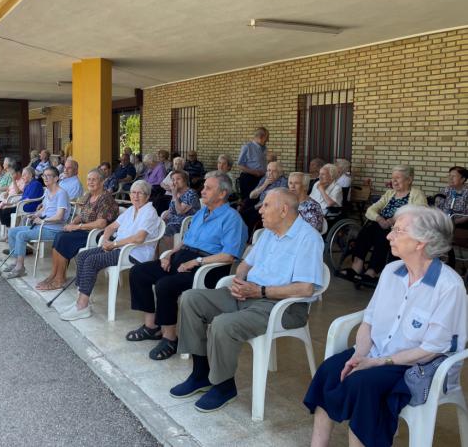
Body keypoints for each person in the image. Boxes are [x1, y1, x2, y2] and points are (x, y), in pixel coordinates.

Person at [305, 206, 467, 447]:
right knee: (329, 371)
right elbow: (368, 321)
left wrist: (376, 362)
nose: (389, 235)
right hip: (375, 352)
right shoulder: (391, 271)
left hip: (415, 365)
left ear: (421, 242)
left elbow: (432, 349)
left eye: (398, 231)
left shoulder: (449, 287)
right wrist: (359, 356)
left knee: (361, 384)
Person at [169, 188, 323, 412]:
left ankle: (223, 386)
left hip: (281, 307)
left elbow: (305, 288)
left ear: (283, 210)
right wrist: (240, 281)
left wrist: (259, 291)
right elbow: (245, 264)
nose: (260, 209)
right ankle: (200, 374)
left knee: (223, 324)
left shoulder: (308, 239)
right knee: (190, 299)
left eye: (267, 205)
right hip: (249, 294)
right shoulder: (268, 233)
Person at [128, 172, 247, 361]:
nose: (203, 191)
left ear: (223, 193)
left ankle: (170, 338)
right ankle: (152, 327)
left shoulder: (233, 219)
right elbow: (186, 241)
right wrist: (170, 254)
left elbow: (229, 256)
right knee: (139, 272)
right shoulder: (201, 213)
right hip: (183, 258)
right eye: (204, 186)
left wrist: (197, 262)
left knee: (165, 285)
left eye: (208, 188)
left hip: (208, 267)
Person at [60, 180, 161, 321]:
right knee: (83, 256)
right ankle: (80, 299)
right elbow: (110, 227)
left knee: (91, 261)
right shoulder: (131, 210)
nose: (135, 196)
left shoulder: (149, 212)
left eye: (140, 193)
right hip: (118, 247)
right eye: (133, 192)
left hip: (134, 253)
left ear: (147, 196)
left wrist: (114, 244)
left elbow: (139, 238)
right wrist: (106, 240)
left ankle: (82, 306)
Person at [36, 168, 119, 291]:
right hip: (85, 230)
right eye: (89, 179)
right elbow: (83, 214)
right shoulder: (89, 195)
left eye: (94, 180)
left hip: (97, 234)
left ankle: (59, 279)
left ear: (102, 182)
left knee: (65, 239)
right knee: (60, 235)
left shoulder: (105, 198)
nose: (90, 182)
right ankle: (54, 274)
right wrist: (74, 221)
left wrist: (76, 227)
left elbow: (101, 223)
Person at [343, 165, 427, 286]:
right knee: (366, 232)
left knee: (383, 236)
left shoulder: (417, 194)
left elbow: (419, 212)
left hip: (401, 229)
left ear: (409, 180)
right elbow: (371, 210)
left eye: (398, 178)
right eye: (393, 178)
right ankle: (357, 266)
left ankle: (372, 271)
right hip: (381, 224)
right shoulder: (390, 193)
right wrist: (379, 218)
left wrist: (393, 220)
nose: (394, 181)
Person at [0, 166, 70, 279]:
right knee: (12, 232)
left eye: (48, 176)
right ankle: (16, 262)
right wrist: (36, 214)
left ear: (56, 178)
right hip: (42, 226)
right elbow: (45, 209)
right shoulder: (48, 191)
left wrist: (42, 220)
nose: (45, 178)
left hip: (54, 229)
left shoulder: (61, 193)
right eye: (44, 175)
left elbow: (60, 216)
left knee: (21, 235)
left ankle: (20, 268)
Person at [0, 165, 43, 236]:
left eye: (24, 174)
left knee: (6, 211)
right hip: (23, 204)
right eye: (22, 174)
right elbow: (23, 198)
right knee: (3, 209)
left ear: (31, 175)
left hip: (29, 207)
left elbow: (28, 199)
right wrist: (9, 204)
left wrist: (12, 205)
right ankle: (8, 231)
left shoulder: (36, 184)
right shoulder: (28, 184)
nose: (23, 176)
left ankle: (9, 233)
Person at [240, 161, 287, 235]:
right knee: (242, 212)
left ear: (279, 173)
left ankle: (247, 236)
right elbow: (252, 195)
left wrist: (257, 206)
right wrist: (265, 184)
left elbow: (277, 200)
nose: (270, 173)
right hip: (258, 205)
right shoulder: (265, 179)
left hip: (268, 208)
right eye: (269, 170)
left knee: (246, 215)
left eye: (274, 171)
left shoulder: (283, 182)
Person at [158, 170, 201, 251]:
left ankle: (171, 254)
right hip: (175, 219)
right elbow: (172, 209)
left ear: (185, 181)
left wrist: (174, 194)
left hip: (187, 221)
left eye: (178, 179)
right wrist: (164, 216)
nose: (175, 182)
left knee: (169, 228)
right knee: (156, 226)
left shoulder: (191, 193)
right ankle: (155, 255)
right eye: (173, 179)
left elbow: (180, 211)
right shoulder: (177, 192)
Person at [237, 127, 269, 199]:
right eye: (266, 138)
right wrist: (254, 172)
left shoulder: (264, 148)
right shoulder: (247, 147)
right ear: (261, 137)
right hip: (249, 179)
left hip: (261, 179)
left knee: (259, 200)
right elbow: (239, 165)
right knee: (248, 201)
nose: (268, 140)